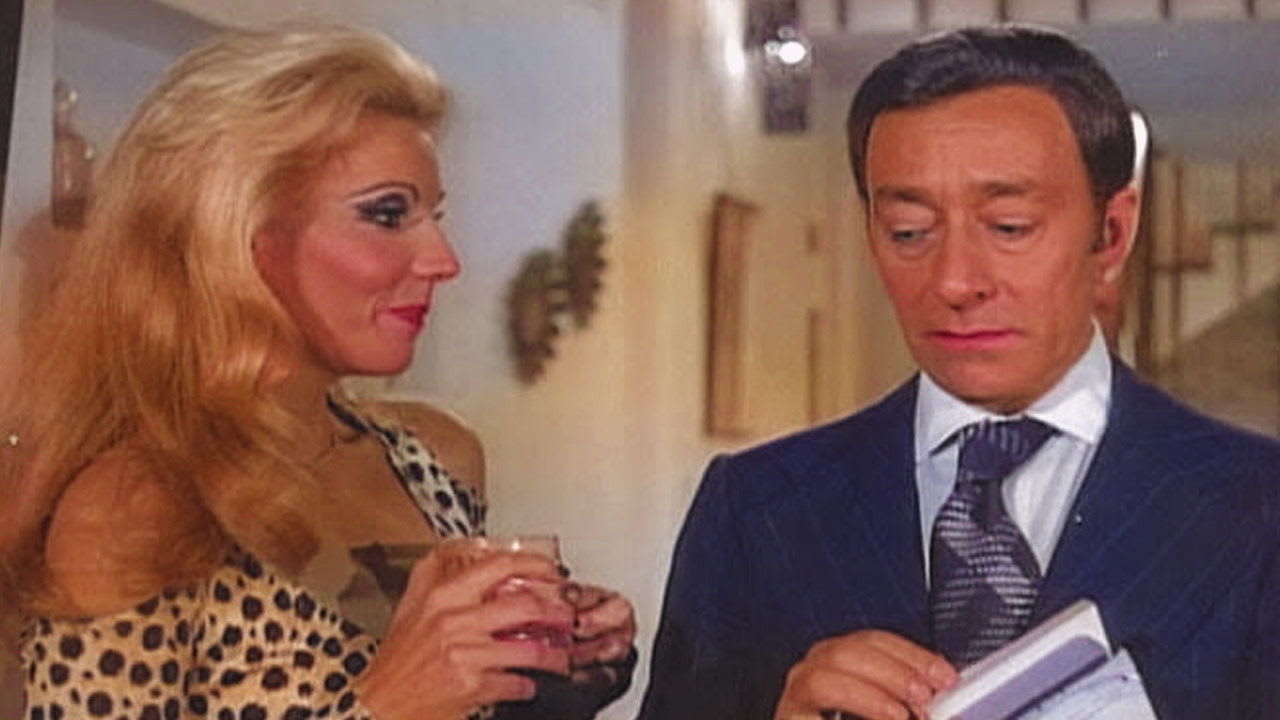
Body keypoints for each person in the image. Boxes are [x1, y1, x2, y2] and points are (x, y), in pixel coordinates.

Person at [639, 24, 1280, 720]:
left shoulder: (1260, 505)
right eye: (909, 232)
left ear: (1112, 233)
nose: (954, 281)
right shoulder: (753, 509)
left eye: (1009, 226)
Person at [0, 25, 635, 720]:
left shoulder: (438, 459)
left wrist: (554, 676)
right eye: (387, 214)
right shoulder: (136, 506)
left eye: (434, 215)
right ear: (240, 233)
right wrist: (385, 706)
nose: (444, 260)